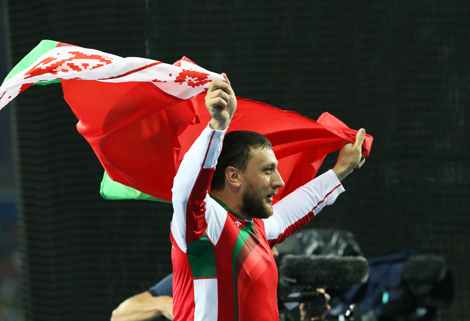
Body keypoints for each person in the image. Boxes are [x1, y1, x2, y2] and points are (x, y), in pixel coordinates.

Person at [171, 73, 366, 321]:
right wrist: (216, 127)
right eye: (267, 170)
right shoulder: (207, 224)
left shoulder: (256, 228)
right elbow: (185, 192)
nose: (279, 181)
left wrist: (340, 170)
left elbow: (300, 205)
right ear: (234, 176)